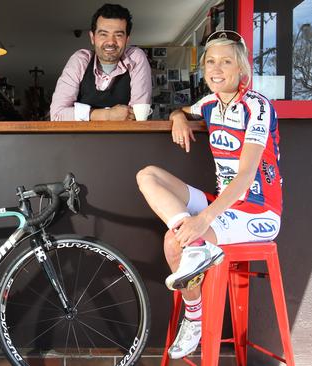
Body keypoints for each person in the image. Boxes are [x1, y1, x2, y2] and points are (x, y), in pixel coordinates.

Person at [136, 30, 282, 359]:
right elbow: (184, 110)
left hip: (257, 212)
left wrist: (203, 219)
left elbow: (245, 176)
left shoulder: (258, 106)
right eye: (211, 61)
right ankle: (198, 247)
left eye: (226, 61)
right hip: (224, 205)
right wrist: (176, 117)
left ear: (241, 69)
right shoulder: (210, 104)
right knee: (148, 175)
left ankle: (194, 317)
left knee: (174, 242)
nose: (217, 68)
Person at [49, 4, 152, 121]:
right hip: (80, 139)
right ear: (92, 37)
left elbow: (138, 117)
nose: (110, 42)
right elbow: (57, 115)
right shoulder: (80, 60)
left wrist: (82, 114)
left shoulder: (135, 58)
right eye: (103, 34)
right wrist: (107, 115)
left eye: (118, 35)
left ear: (127, 39)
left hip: (124, 139)